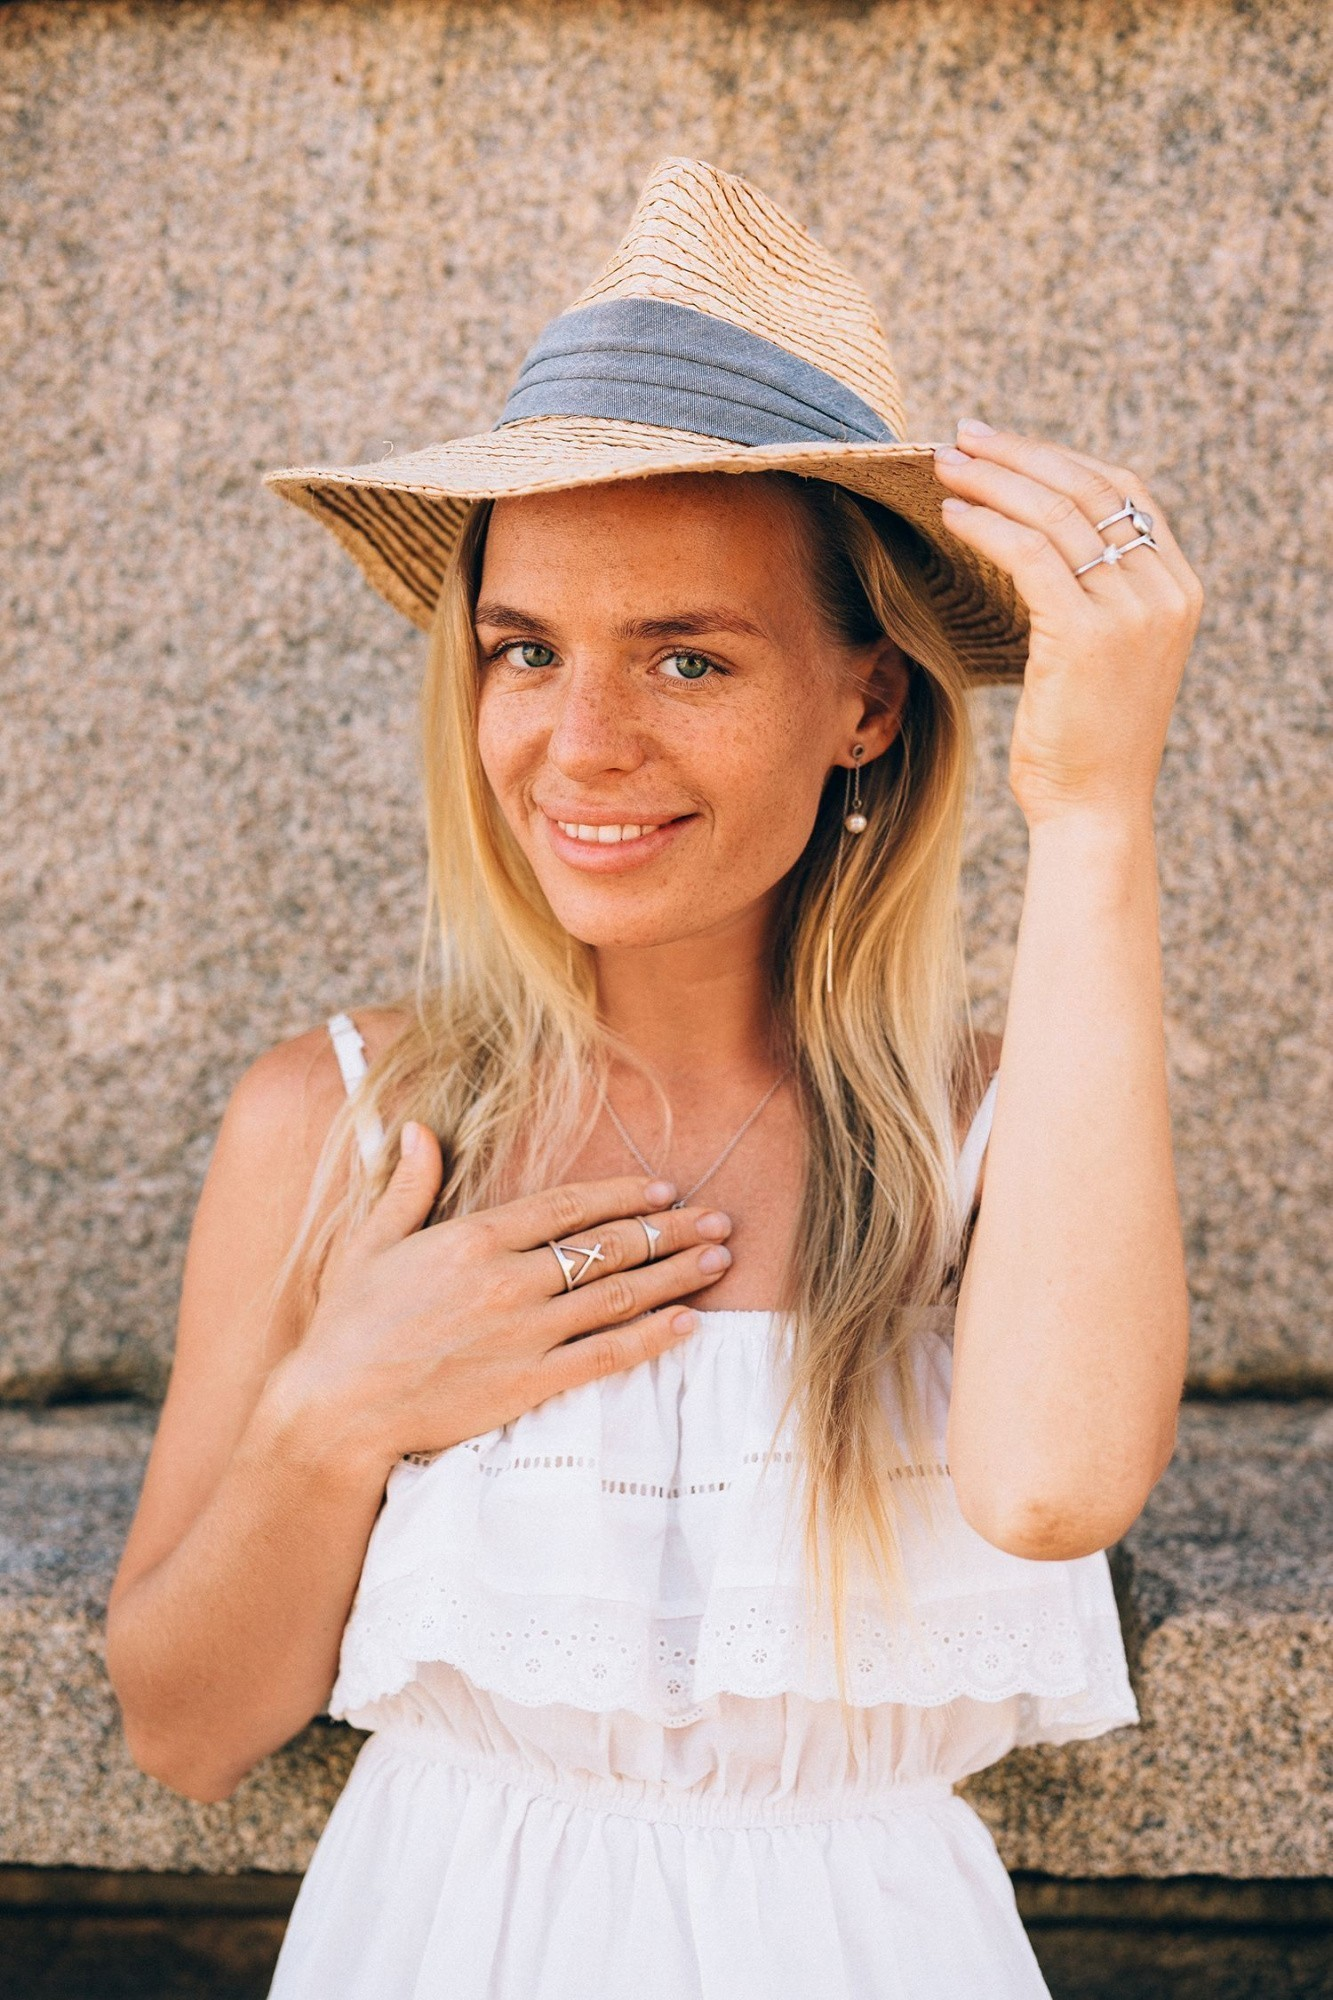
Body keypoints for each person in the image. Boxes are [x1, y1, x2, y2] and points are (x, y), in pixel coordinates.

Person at [106, 160, 1200, 1998]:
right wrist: (338, 1409)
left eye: (688, 656)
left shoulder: (1001, 1134)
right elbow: (184, 1729)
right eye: (525, 651)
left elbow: (1052, 1495)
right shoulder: (342, 1121)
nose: (580, 742)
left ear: (867, 703)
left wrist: (1095, 808)